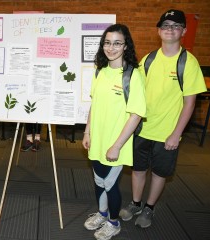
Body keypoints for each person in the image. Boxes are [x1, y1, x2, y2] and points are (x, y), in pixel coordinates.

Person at [119, 9, 207, 228]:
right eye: (165, 25)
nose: (170, 29)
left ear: (183, 31)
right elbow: (135, 91)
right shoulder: (149, 59)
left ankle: (149, 207)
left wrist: (176, 134)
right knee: (138, 170)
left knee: (159, 173)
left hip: (167, 133)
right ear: (158, 31)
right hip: (142, 128)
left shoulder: (188, 63)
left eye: (176, 26)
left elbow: (190, 103)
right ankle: (136, 202)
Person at [82, 24, 146, 240]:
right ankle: (102, 214)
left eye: (117, 43)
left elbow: (136, 115)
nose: (111, 47)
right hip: (97, 139)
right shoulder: (100, 71)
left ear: (125, 45)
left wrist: (117, 145)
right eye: (107, 43)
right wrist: (87, 132)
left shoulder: (132, 75)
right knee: (98, 181)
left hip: (116, 143)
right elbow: (94, 103)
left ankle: (114, 222)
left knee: (110, 184)